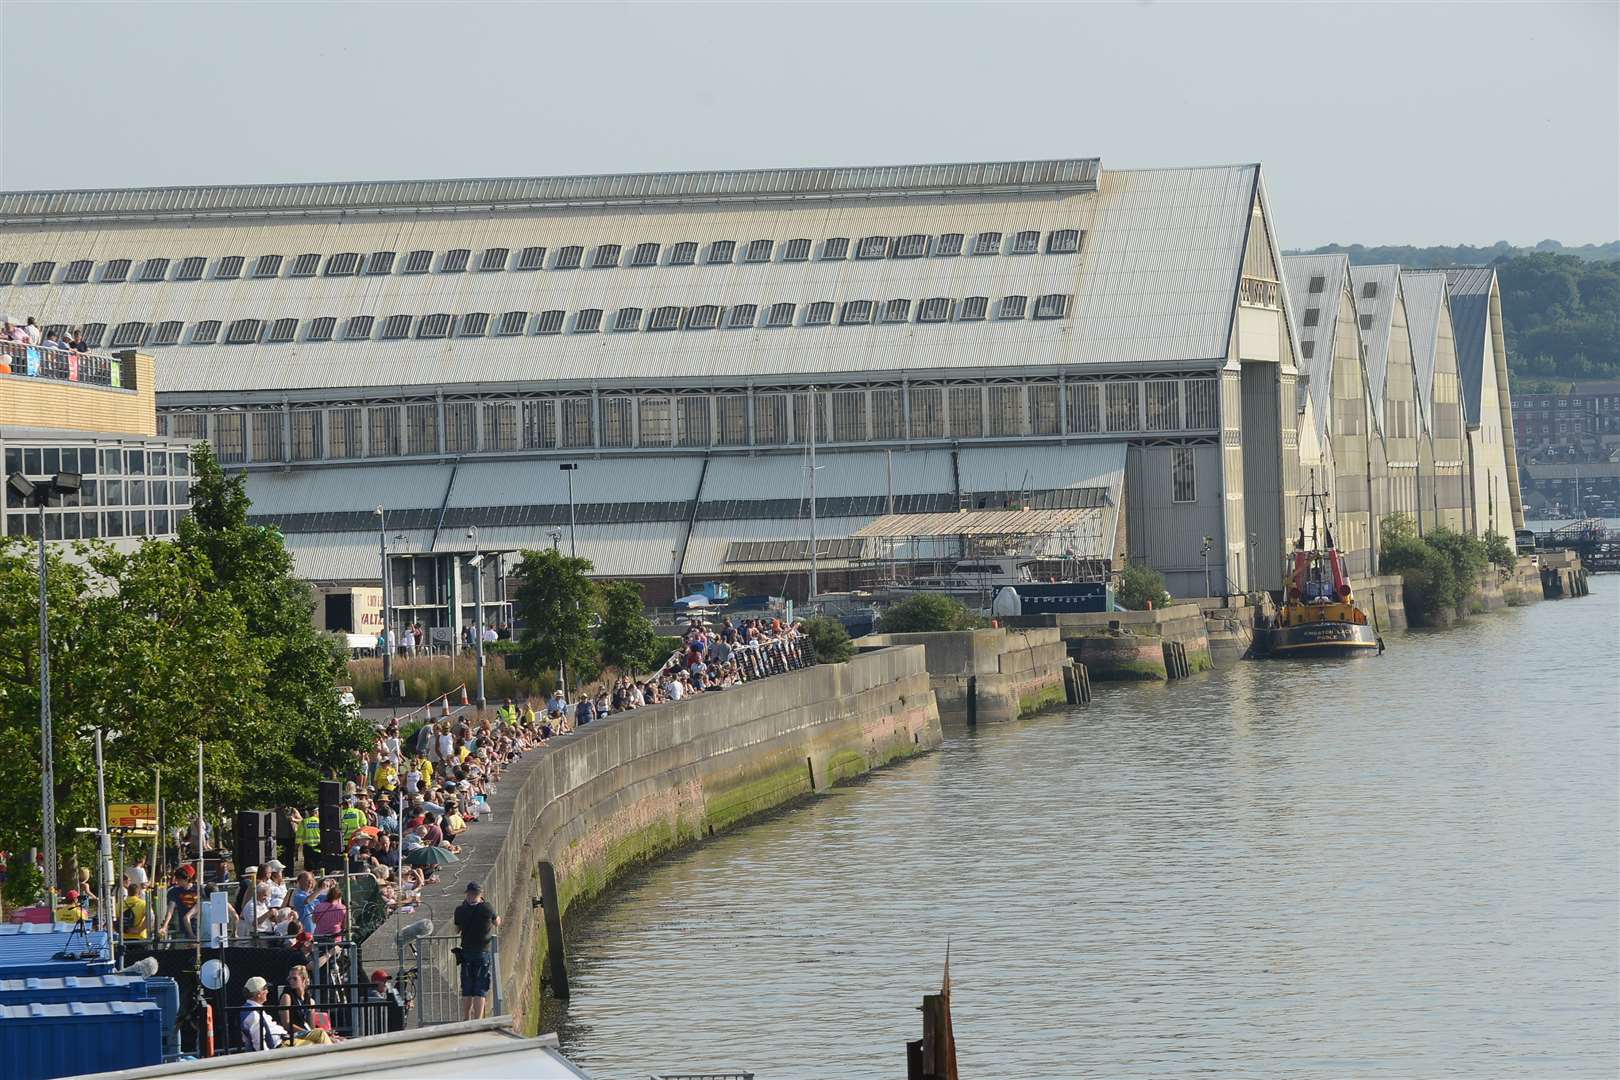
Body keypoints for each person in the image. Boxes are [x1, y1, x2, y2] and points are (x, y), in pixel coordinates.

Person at [453, 881, 500, 1020]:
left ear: (467, 894)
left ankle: (466, 1018)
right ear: (480, 895)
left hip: (466, 952)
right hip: (482, 952)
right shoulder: (487, 907)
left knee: (467, 988)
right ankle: (478, 1020)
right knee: (480, 988)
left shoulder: (460, 910)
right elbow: (497, 922)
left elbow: (456, 930)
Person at [240, 976, 288, 1051]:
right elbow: (259, 1044)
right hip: (279, 1046)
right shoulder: (253, 1014)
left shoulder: (254, 1009)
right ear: (259, 994)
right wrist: (269, 1058)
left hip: (283, 1041)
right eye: (265, 989)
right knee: (310, 1042)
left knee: (312, 1035)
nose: (267, 991)